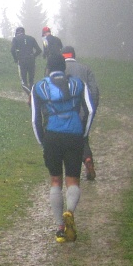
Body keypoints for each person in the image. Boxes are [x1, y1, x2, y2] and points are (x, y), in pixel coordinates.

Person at [31, 52, 95, 243]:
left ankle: (60, 227)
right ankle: (70, 211)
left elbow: (35, 118)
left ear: (48, 68)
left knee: (55, 181)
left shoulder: (39, 87)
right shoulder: (77, 84)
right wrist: (83, 133)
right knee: (73, 180)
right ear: (64, 68)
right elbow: (90, 110)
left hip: (52, 136)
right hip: (74, 135)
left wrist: (42, 140)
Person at [61, 45, 99, 180]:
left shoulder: (58, 70)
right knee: (83, 138)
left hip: (65, 111)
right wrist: (92, 110)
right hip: (84, 110)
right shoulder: (86, 69)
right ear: (74, 55)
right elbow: (94, 91)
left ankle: (70, 171)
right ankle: (87, 158)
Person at [10, 26, 41, 93]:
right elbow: (39, 50)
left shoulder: (15, 39)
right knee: (31, 80)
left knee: (24, 82)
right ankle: (33, 94)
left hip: (22, 61)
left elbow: (12, 50)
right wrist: (33, 56)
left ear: (17, 33)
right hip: (31, 60)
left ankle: (30, 94)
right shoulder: (31, 38)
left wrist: (15, 58)